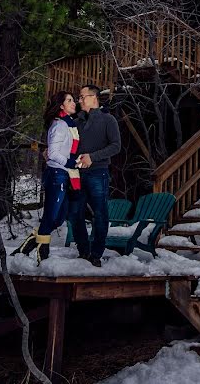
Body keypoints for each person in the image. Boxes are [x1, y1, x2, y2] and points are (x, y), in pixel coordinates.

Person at [13, 91, 89, 263]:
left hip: (64, 174)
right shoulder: (59, 125)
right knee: (51, 216)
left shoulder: (68, 124)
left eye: (72, 100)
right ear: (61, 106)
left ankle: (30, 243)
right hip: (57, 174)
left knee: (58, 218)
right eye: (69, 100)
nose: (73, 103)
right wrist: (69, 162)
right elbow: (53, 153)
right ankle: (42, 253)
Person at [71, 84, 121, 267]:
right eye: (79, 97)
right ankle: (83, 251)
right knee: (75, 213)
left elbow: (116, 146)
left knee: (100, 213)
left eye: (83, 97)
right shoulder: (76, 122)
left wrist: (93, 157)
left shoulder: (108, 120)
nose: (80, 100)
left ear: (94, 98)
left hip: (98, 173)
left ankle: (96, 254)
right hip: (77, 174)